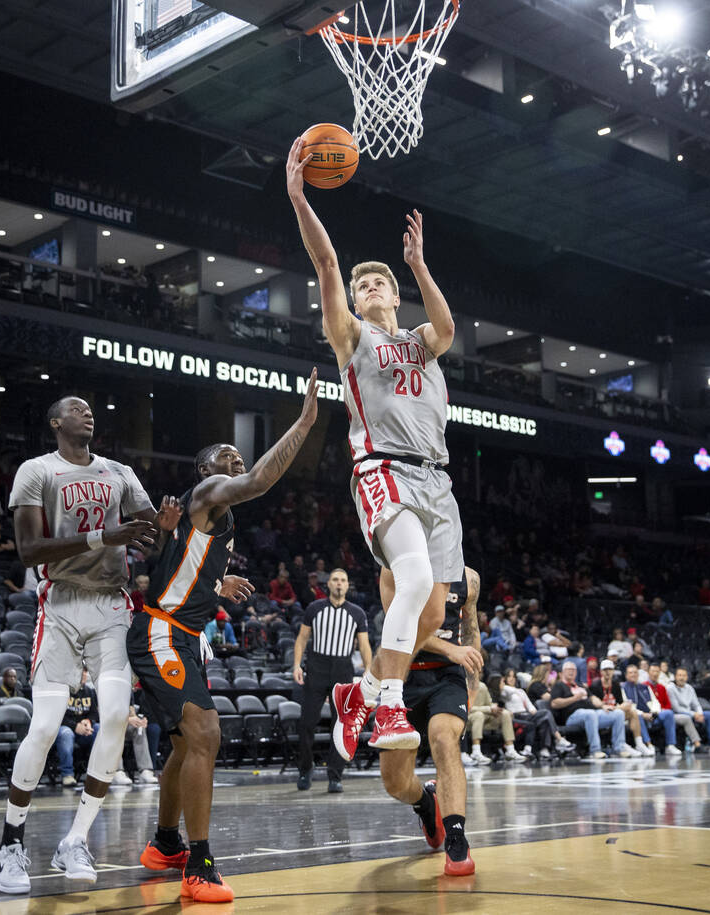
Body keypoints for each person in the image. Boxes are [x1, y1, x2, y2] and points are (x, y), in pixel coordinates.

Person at [289, 139, 460, 759]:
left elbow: (446, 330)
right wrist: (300, 199)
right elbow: (329, 266)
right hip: (383, 469)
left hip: (438, 482)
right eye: (361, 284)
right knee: (411, 578)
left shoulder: (419, 339)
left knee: (432, 616)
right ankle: (388, 706)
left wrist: (416, 264)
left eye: (376, 282)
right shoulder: (352, 337)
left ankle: (359, 692)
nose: (365, 287)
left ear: (393, 294)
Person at [130, 374, 317, 905]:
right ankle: (199, 863)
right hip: (161, 633)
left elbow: (176, 563)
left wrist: (215, 581)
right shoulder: (210, 493)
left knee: (187, 744)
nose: (237, 459)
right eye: (227, 454)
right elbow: (258, 480)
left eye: (239, 455)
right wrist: (303, 424)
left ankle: (165, 843)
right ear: (205, 469)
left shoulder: (215, 519)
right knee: (206, 735)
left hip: (183, 635)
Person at [0, 395, 178, 894]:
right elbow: (29, 549)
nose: (88, 412)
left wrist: (162, 530)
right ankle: (11, 842)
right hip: (59, 604)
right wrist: (104, 536)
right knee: (47, 725)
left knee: (117, 715)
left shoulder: (120, 472)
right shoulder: (36, 470)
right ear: (56, 422)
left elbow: (149, 537)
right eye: (76, 409)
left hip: (113, 606)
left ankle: (74, 839)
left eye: (91, 409)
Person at [378, 565, 481, 875]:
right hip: (402, 675)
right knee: (395, 783)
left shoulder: (469, 578)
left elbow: (470, 632)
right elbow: (399, 629)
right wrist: (452, 649)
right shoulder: (394, 567)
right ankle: (425, 802)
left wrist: (472, 688)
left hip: (447, 676)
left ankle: (456, 838)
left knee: (444, 737)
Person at [293, 569, 371, 793]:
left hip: (342, 670)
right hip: (317, 667)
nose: (339, 584)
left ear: (348, 586)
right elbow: (302, 639)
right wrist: (297, 665)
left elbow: (364, 645)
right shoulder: (314, 608)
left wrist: (368, 670)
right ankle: (306, 768)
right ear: (328, 584)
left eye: (343, 580)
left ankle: (335, 776)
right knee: (307, 722)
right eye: (335, 580)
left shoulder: (357, 613)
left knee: (341, 725)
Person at [550, 660, 632, 759]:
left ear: (576, 672)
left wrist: (603, 706)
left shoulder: (580, 685)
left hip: (591, 713)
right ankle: (595, 750)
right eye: (568, 670)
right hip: (572, 716)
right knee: (590, 714)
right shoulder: (559, 685)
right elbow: (554, 703)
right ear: (562, 672)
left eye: (573, 670)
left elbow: (593, 698)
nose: (571, 672)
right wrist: (574, 698)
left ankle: (619, 748)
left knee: (618, 714)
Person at [588, 659, 648, 756]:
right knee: (619, 713)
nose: (608, 672)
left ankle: (639, 743)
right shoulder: (595, 685)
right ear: (601, 672)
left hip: (613, 711)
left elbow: (619, 702)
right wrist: (616, 708)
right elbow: (594, 705)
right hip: (600, 713)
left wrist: (623, 706)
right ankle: (620, 745)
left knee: (632, 712)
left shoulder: (615, 684)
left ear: (613, 671)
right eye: (605, 670)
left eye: (610, 669)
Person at [668, 666, 710, 754]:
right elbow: (677, 708)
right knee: (686, 717)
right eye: (679, 675)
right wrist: (694, 714)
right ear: (675, 677)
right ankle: (697, 745)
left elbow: (696, 704)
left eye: (684, 675)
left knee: (709, 714)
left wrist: (699, 714)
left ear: (687, 677)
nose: (681, 678)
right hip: (677, 714)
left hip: (691, 713)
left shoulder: (689, 688)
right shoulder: (670, 688)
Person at [622, 663, 679, 755]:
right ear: (626, 675)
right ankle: (648, 745)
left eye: (635, 672)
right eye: (630, 673)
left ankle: (671, 745)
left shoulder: (645, 687)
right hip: (637, 717)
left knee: (668, 713)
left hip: (651, 715)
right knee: (637, 716)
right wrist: (643, 714)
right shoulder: (623, 687)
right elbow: (627, 706)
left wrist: (654, 712)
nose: (633, 674)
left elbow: (655, 702)